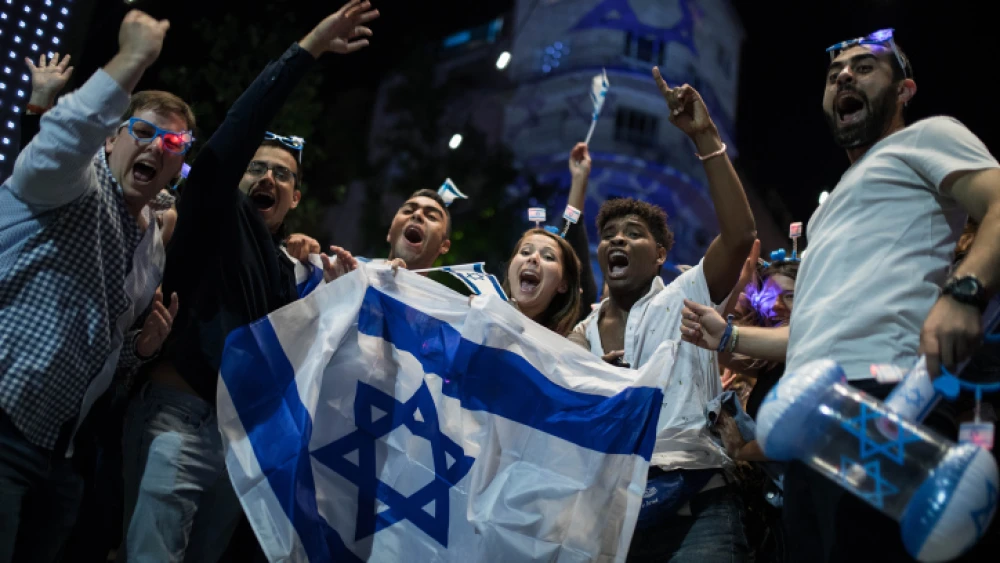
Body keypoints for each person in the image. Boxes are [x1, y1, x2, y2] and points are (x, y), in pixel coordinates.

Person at [679, 28, 1000, 562]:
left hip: (889, 401)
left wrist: (965, 291)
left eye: (864, 67)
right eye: (833, 75)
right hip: (815, 425)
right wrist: (731, 335)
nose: (844, 77)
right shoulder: (829, 211)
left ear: (904, 90)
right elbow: (812, 331)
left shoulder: (928, 137)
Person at [118, 2, 379, 561]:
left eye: (282, 174)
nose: (267, 178)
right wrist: (307, 49)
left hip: (241, 448)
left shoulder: (290, 272)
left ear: (296, 197)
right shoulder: (211, 212)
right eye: (256, 167)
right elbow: (241, 126)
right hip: (177, 422)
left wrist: (341, 296)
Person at [0, 11, 183, 563]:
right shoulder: (68, 185)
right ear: (110, 140)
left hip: (62, 455)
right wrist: (130, 62)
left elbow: (103, 347)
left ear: (178, 165)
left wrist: (140, 347)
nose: (154, 146)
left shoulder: (152, 245)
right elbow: (61, 139)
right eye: (142, 132)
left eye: (171, 141)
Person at [569, 68, 756, 561]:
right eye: (609, 233)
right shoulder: (578, 336)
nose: (617, 239)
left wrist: (705, 137)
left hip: (698, 510)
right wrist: (596, 387)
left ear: (659, 256)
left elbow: (739, 236)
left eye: (633, 232)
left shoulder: (685, 297)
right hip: (610, 518)